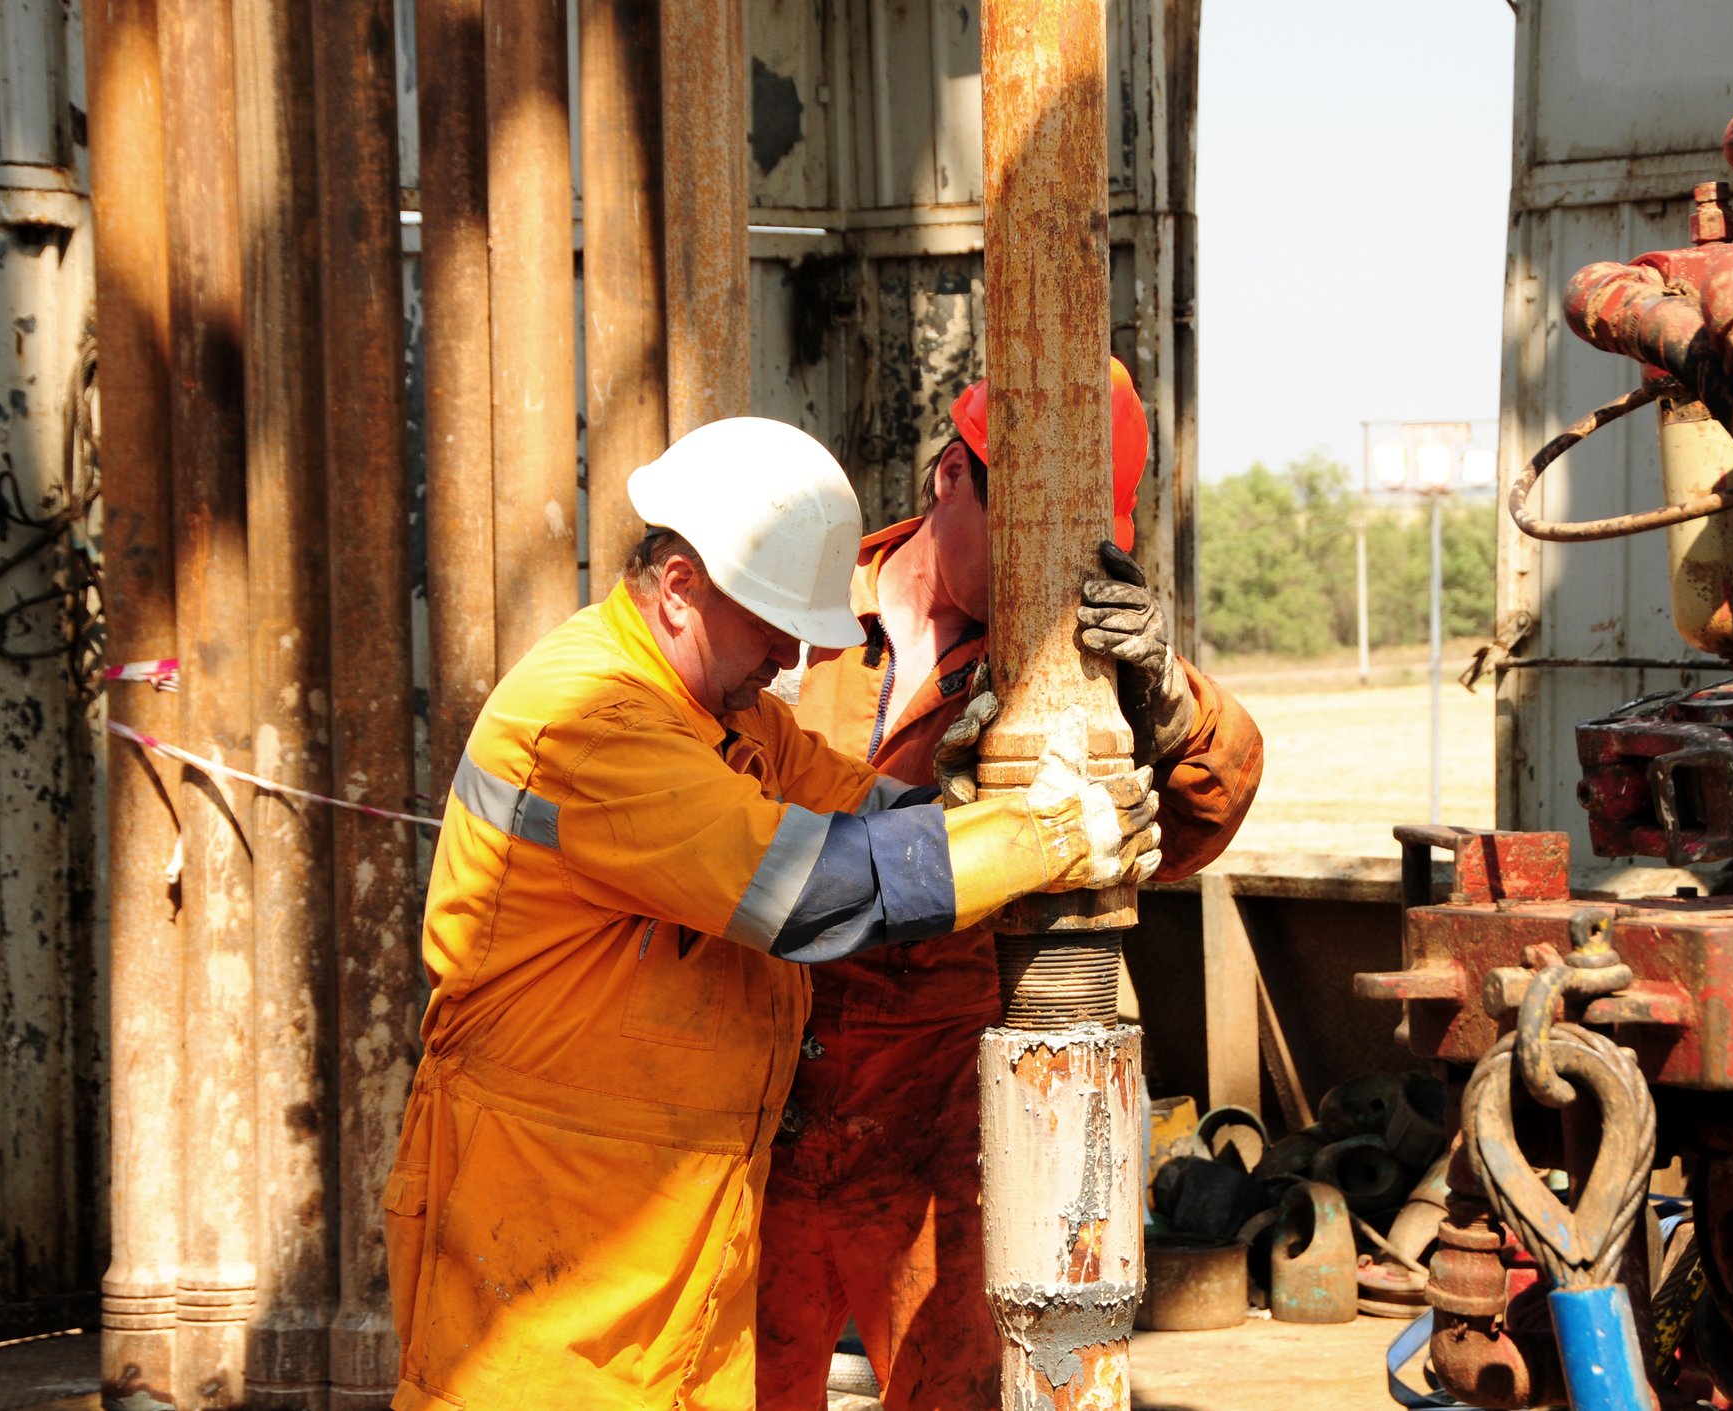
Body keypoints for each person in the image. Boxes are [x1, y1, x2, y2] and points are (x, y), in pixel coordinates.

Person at [381, 416, 1164, 1411]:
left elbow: (863, 810)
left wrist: (996, 806)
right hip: (541, 1244)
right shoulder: (591, 720)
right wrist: (1046, 838)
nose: (795, 652)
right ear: (678, 589)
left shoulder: (727, 718)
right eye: (773, 622)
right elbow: (802, 889)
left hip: (670, 1244)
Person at [758, 360, 1265, 1409]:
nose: (1054, 566)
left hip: (942, 1109)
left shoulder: (1057, 669)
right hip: (766, 1089)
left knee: (955, 1395)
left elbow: (1201, 815)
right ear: (953, 477)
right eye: (1029, 528)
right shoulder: (792, 624)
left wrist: (1172, 702)